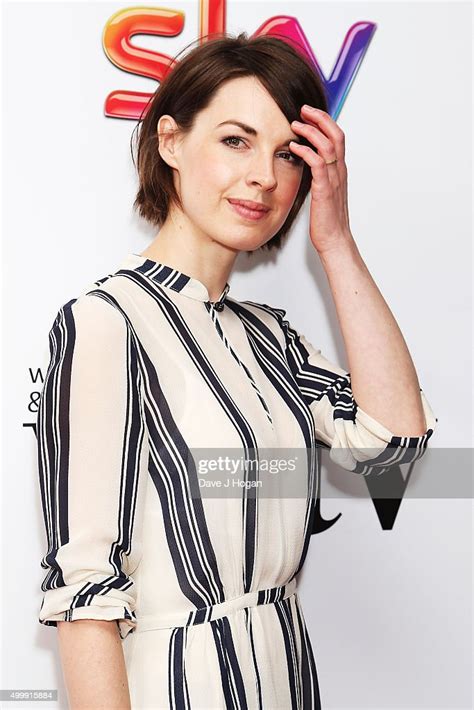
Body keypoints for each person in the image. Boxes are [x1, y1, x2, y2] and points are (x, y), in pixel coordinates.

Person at [36, 32, 437, 709]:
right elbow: (85, 594)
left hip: (286, 676)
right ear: (170, 142)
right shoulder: (108, 322)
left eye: (288, 155)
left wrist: (335, 240)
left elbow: (392, 446)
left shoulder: (270, 335)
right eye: (235, 141)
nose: (264, 176)